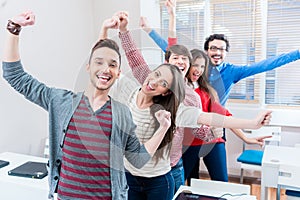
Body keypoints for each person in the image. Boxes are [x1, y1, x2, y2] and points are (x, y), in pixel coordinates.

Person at [2, 11, 178, 200]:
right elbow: (15, 76)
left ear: (118, 73)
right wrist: (14, 28)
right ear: (88, 66)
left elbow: (138, 158)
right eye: (99, 62)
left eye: (112, 64)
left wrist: (164, 128)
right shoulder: (61, 102)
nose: (105, 69)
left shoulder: (121, 113)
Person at [107, 10, 272, 194]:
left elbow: (205, 121)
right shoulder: (149, 81)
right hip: (135, 168)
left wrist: (216, 132)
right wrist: (124, 30)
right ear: (166, 62)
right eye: (175, 58)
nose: (180, 61)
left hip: (169, 167)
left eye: (185, 58)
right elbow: (134, 57)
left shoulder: (191, 97)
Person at [141, 0, 300, 182]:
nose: (217, 52)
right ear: (206, 52)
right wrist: (161, 23)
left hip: (215, 132)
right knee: (188, 182)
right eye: (213, 48)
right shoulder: (192, 72)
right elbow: (170, 50)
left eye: (221, 49)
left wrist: (297, 54)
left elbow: (265, 65)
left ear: (226, 53)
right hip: (188, 133)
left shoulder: (233, 72)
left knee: (221, 182)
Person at [183, 49, 271, 185]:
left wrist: (246, 138)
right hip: (189, 144)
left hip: (213, 141)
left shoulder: (207, 91)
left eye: (202, 66)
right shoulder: (180, 90)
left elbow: (224, 115)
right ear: (187, 65)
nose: (199, 70)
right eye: (196, 65)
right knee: (187, 182)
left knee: (222, 183)